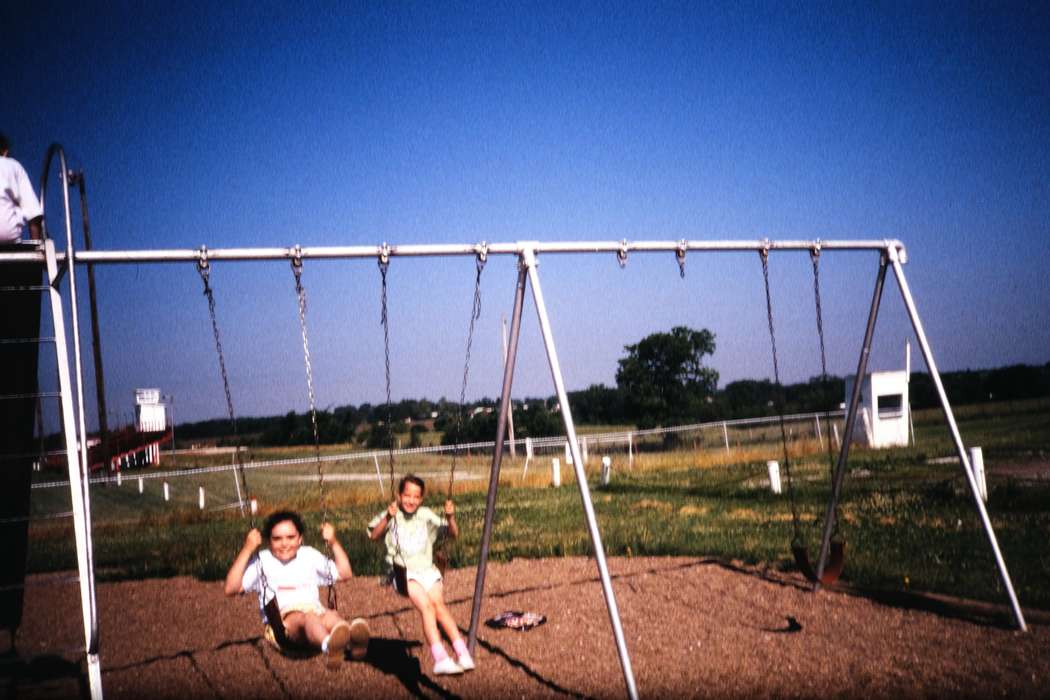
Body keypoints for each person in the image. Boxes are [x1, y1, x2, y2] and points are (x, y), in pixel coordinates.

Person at [225, 510, 369, 669]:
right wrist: (247, 548)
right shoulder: (262, 560)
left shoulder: (309, 555)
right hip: (282, 625)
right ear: (268, 541)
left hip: (315, 614)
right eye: (277, 539)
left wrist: (333, 542)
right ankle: (329, 646)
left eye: (290, 537)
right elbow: (230, 588)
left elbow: (345, 573)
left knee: (330, 616)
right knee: (308, 618)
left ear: (300, 538)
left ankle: (352, 640)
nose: (285, 543)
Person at [368, 474, 475, 675]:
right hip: (402, 572)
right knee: (426, 607)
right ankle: (441, 658)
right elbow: (374, 535)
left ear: (422, 498)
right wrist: (387, 517)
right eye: (407, 495)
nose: (411, 500)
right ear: (399, 496)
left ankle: (463, 654)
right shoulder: (391, 515)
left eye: (416, 497)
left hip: (427, 570)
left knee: (440, 607)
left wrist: (450, 517)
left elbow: (453, 534)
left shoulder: (426, 515)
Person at [0, 133, 43, 244]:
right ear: (5, 152)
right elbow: (33, 213)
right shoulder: (13, 166)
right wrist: (37, 249)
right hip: (8, 239)